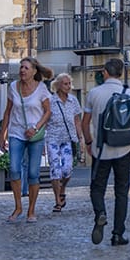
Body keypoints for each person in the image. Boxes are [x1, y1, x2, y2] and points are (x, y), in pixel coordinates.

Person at [82, 58, 130, 246]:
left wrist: (89, 142)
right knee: (121, 191)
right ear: (121, 74)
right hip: (125, 148)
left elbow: (85, 122)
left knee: (97, 187)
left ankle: (100, 213)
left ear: (105, 73)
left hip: (102, 149)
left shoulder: (94, 93)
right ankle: (118, 234)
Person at [0, 57, 53, 223]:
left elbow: (48, 112)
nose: (22, 70)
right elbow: (8, 111)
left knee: (33, 173)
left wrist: (36, 128)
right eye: (21, 67)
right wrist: (3, 134)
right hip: (16, 132)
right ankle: (18, 207)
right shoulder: (13, 87)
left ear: (34, 71)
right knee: (14, 169)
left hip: (35, 135)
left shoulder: (42, 89)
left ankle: (31, 210)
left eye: (26, 68)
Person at [47, 72, 84, 213]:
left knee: (67, 170)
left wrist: (80, 138)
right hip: (52, 138)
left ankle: (63, 188)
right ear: (58, 85)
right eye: (65, 83)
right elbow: (45, 119)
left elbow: (77, 120)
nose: (68, 86)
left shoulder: (73, 101)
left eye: (69, 83)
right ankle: (57, 199)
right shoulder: (50, 101)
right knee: (55, 170)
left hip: (68, 139)